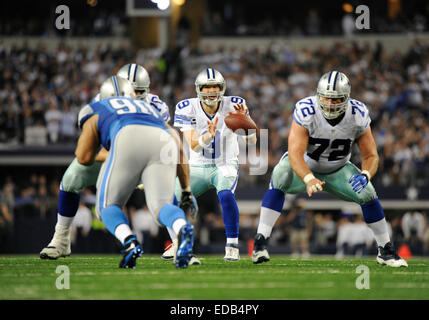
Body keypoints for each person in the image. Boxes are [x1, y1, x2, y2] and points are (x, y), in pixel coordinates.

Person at [252, 70, 408, 267]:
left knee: (368, 193)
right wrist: (308, 178)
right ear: (318, 95)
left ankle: (385, 250)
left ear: (347, 98)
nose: (330, 104)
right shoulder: (306, 110)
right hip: (305, 166)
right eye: (326, 98)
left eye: (336, 100)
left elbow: (371, 155)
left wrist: (366, 173)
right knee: (280, 175)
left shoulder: (357, 114)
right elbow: (295, 153)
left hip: (338, 169)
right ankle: (260, 243)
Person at [39, 63, 189, 261]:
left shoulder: (156, 105)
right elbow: (90, 149)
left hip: (142, 153)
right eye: (131, 89)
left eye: (139, 90)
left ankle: (177, 242)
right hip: (107, 153)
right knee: (71, 179)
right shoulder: (100, 101)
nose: (134, 94)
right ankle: (61, 238)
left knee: (162, 192)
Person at [74, 75, 195, 268]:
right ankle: (182, 227)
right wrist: (186, 188)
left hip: (126, 135)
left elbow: (83, 157)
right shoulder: (149, 109)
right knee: (161, 206)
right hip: (164, 140)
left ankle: (129, 242)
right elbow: (178, 145)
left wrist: (104, 152)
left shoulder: (96, 107)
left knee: (106, 206)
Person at [173, 68, 257, 261]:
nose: (211, 91)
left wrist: (245, 123)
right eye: (207, 87)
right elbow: (193, 146)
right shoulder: (187, 107)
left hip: (224, 163)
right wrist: (209, 135)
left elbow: (251, 141)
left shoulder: (235, 104)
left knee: (226, 195)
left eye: (215, 86)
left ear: (222, 88)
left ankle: (232, 245)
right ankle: (176, 244)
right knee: (174, 199)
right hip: (197, 165)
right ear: (198, 89)